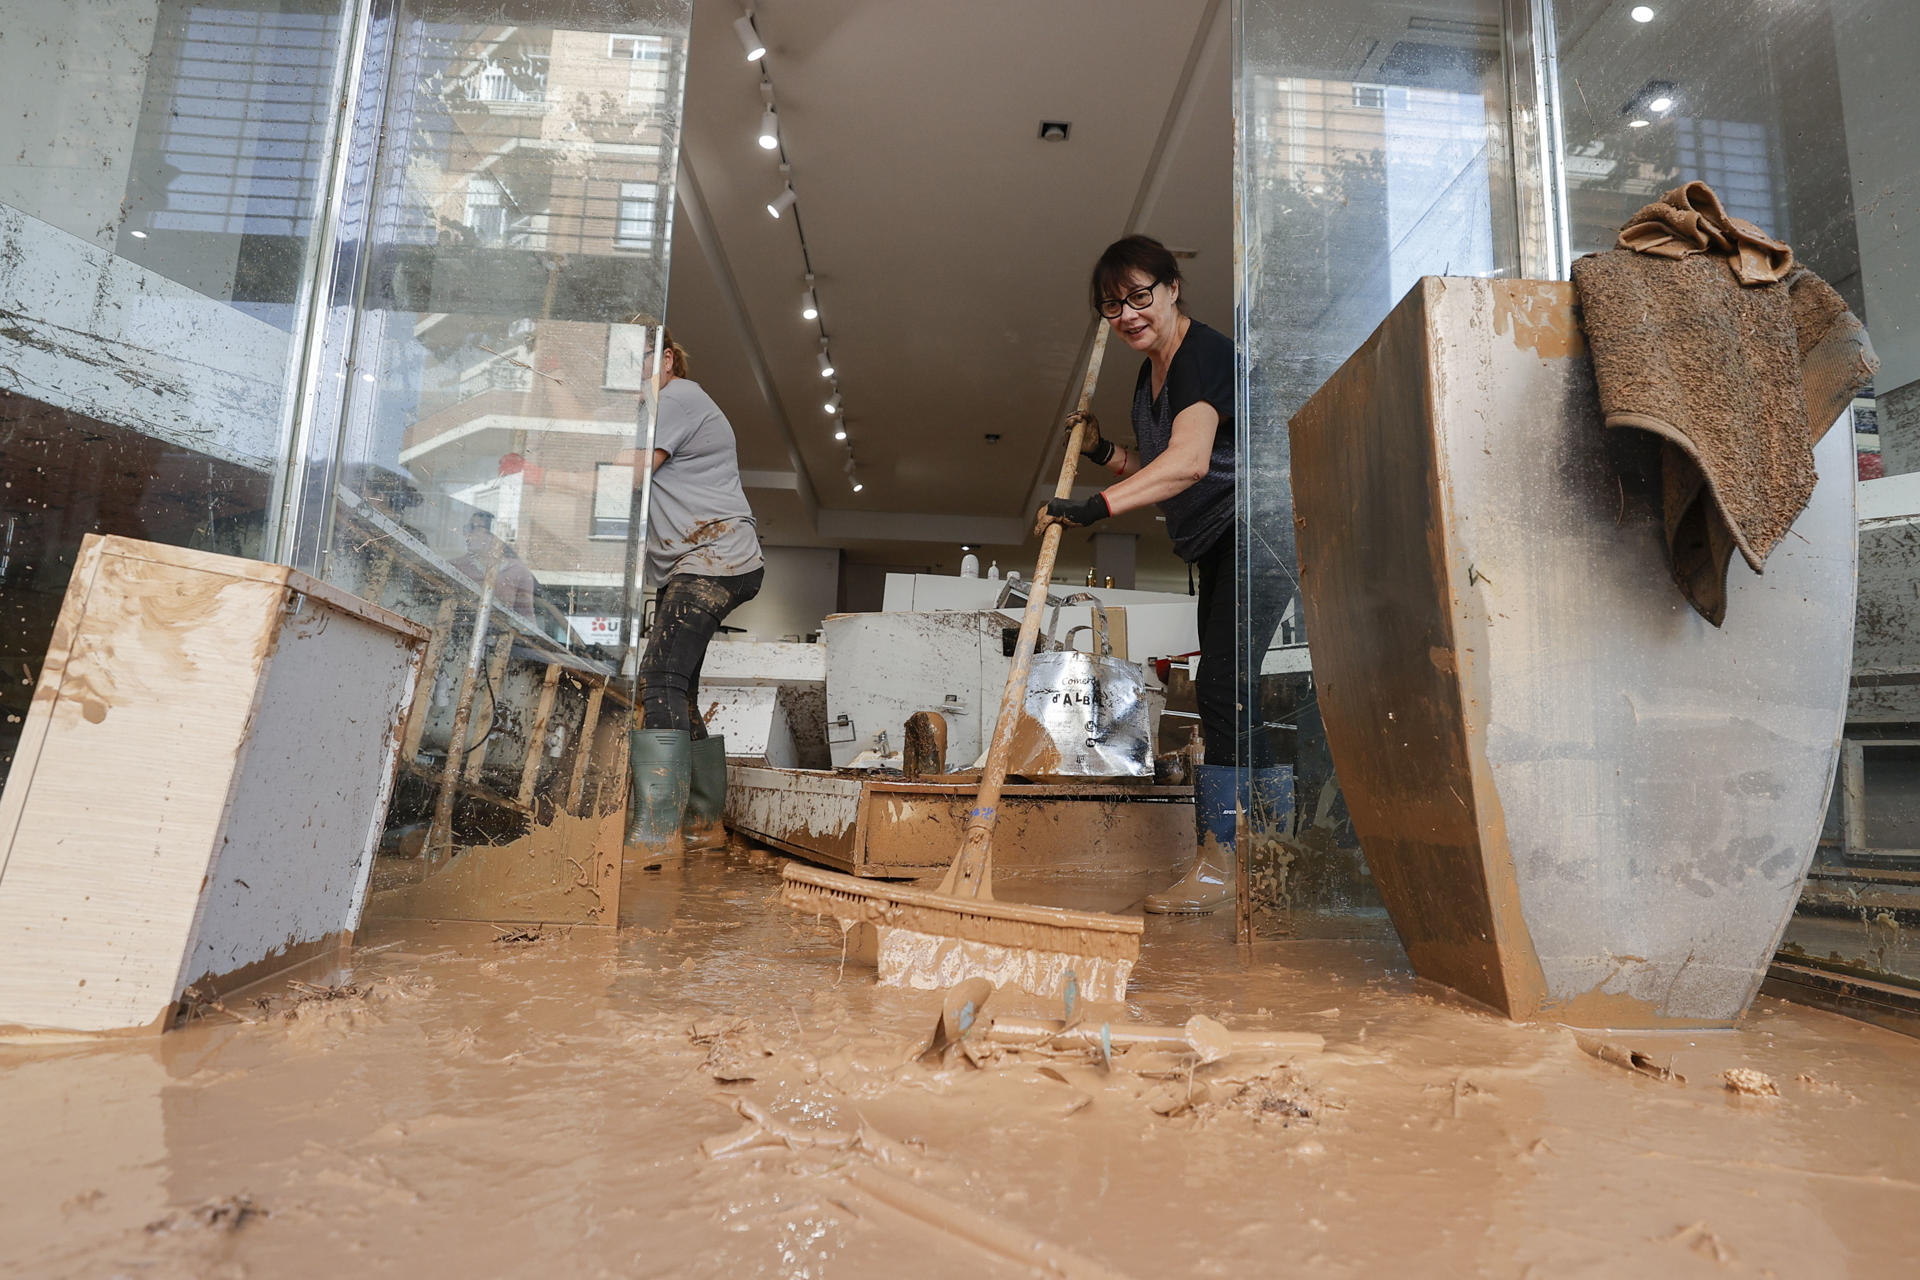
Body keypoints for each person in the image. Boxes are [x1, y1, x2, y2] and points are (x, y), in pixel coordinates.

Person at [1035, 235, 1289, 914]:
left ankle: (1231, 865)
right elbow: (1154, 468)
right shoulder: (1149, 376)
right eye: (1111, 305)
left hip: (1258, 528)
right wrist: (1102, 452)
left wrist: (1093, 508)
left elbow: (1191, 463)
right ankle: (1265, 860)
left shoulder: (1200, 354)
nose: (1127, 313)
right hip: (1214, 540)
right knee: (1229, 692)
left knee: (1224, 686)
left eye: (1139, 294)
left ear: (1173, 288)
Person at [625, 328, 765, 863]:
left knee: (658, 678)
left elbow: (636, 471)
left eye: (636, 361)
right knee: (676, 689)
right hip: (707, 561)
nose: (632, 376)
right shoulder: (662, 409)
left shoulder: (677, 396)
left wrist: (553, 473)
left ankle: (657, 833)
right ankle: (703, 825)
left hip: (714, 559)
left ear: (665, 359)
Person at [453, 510, 538, 618]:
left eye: (474, 528)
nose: (467, 534)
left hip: (498, 632)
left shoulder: (518, 570)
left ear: (493, 535)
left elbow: (526, 617)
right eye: (467, 528)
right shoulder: (455, 566)